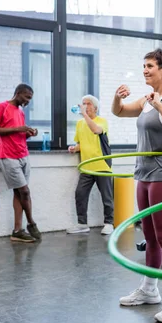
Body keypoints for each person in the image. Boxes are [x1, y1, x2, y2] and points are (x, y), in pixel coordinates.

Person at [112, 48, 162, 323]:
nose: (145, 70)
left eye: (149, 66)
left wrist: (160, 106)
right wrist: (116, 97)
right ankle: (149, 290)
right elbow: (119, 111)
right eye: (143, 66)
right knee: (149, 235)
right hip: (143, 173)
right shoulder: (146, 100)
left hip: (161, 173)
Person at [0, 83, 42, 243]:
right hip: (8, 156)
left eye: (30, 99)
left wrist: (28, 133)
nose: (28, 101)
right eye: (27, 97)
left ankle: (18, 230)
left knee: (19, 193)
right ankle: (32, 223)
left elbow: (19, 133)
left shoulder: (20, 112)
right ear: (18, 93)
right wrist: (18, 129)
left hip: (23, 155)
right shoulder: (1, 107)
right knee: (25, 192)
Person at [67, 95, 114, 235]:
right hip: (86, 166)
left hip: (102, 165)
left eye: (88, 104)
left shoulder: (102, 121)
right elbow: (81, 143)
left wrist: (84, 115)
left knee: (107, 196)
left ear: (95, 108)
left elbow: (96, 130)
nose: (85, 106)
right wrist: (74, 148)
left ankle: (109, 224)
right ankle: (82, 224)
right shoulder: (80, 124)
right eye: (83, 103)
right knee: (80, 194)